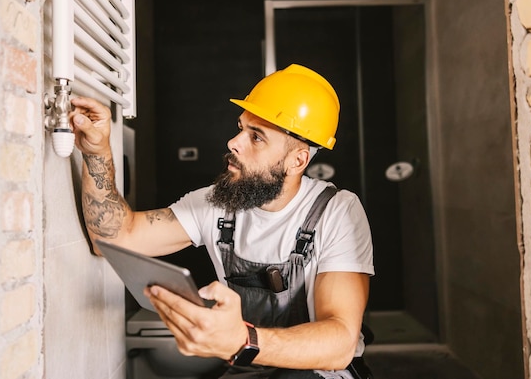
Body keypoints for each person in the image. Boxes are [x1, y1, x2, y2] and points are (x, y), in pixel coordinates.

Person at [70, 64, 374, 379]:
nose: (233, 142)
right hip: (245, 367)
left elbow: (340, 342)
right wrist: (96, 152)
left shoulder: (336, 212)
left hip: (320, 373)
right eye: (241, 127)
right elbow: (115, 238)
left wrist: (243, 340)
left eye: (256, 137)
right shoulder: (217, 202)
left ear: (298, 160)